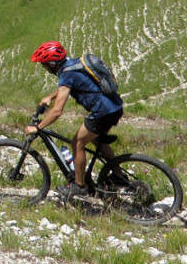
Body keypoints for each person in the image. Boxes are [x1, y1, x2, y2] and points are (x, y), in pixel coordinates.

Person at [25, 41, 123, 202]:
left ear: (51, 63)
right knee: (98, 140)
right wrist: (50, 96)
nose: (43, 68)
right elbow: (69, 85)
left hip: (103, 112)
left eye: (44, 65)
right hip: (115, 107)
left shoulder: (66, 73)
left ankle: (79, 186)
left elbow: (57, 112)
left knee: (77, 143)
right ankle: (118, 176)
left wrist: (38, 127)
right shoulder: (73, 64)